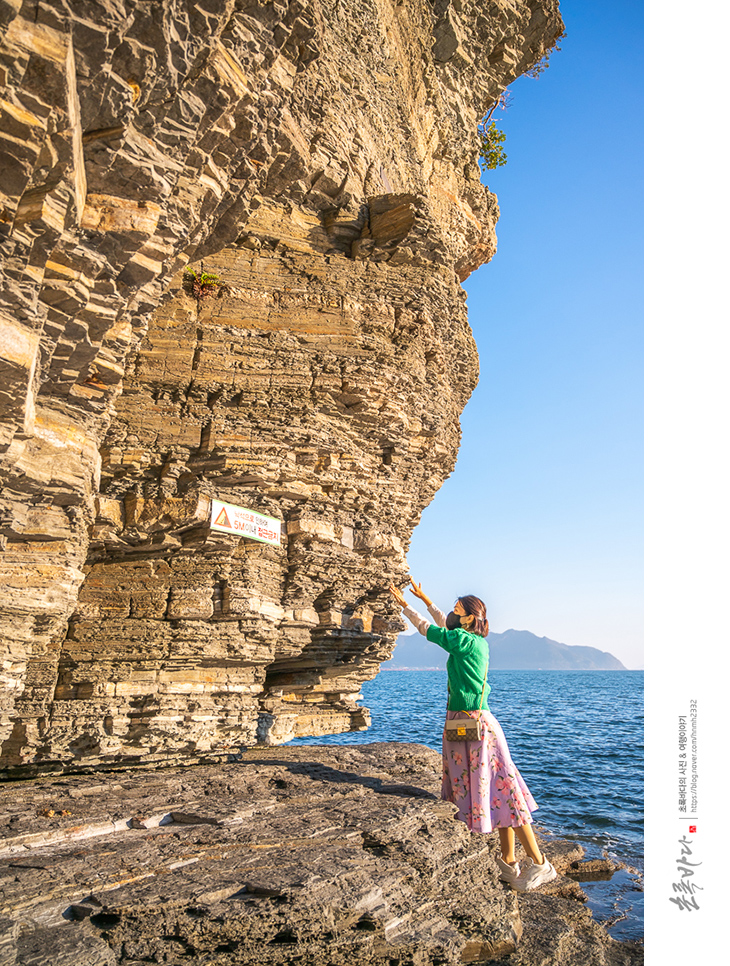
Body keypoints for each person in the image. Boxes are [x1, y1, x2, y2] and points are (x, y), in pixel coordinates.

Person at [389, 577, 557, 892]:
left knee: (505, 793)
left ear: (469, 617)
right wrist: (425, 598)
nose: (452, 614)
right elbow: (443, 623)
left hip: (476, 727)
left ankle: (540, 863)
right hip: (466, 723)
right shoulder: (469, 639)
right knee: (498, 792)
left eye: (457, 611)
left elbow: (430, 630)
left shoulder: (466, 642)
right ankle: (509, 860)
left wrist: (405, 606)